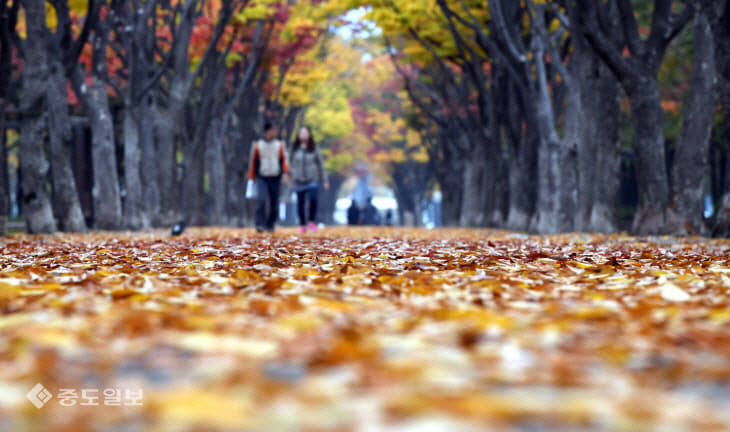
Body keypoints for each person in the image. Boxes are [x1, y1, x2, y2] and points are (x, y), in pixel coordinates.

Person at [248, 122, 290, 233]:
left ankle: (270, 224)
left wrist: (285, 173)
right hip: (262, 177)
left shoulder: (279, 145)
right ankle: (260, 224)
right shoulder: (258, 145)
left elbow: (284, 160)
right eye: (273, 130)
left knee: (274, 203)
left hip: (275, 177)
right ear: (267, 131)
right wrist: (251, 177)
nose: (275, 132)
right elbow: (253, 161)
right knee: (261, 200)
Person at [290, 126, 329, 233]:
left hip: (312, 179)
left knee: (313, 199)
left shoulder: (314, 148)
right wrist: (289, 174)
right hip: (298, 180)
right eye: (301, 133)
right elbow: (289, 162)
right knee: (300, 202)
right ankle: (302, 224)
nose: (303, 135)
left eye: (305, 133)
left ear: (309, 134)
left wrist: (324, 179)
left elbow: (321, 164)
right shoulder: (295, 148)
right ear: (298, 135)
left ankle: (311, 221)